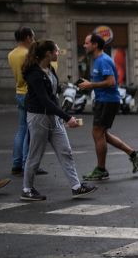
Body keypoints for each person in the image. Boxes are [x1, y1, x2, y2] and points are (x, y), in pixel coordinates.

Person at [20, 40, 97, 201]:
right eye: (56, 51)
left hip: (53, 116)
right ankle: (27, 189)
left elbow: (53, 95)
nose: (58, 53)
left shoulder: (49, 69)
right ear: (48, 53)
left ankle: (76, 187)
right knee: (35, 154)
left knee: (65, 151)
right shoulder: (34, 73)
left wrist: (62, 110)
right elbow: (44, 100)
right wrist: (67, 117)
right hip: (38, 117)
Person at [78, 33, 138, 181]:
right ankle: (134, 154)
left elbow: (111, 82)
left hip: (107, 101)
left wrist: (91, 84)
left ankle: (101, 169)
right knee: (103, 135)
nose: (84, 45)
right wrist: (88, 84)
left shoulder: (103, 60)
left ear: (95, 45)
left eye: (87, 43)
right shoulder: (98, 60)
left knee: (97, 133)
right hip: (104, 100)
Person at [8, 26, 35, 175]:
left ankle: (16, 163)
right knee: (30, 131)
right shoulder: (28, 54)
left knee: (21, 129)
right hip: (29, 93)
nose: (33, 40)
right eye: (32, 37)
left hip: (19, 92)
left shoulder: (11, 54)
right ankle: (26, 164)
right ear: (27, 38)